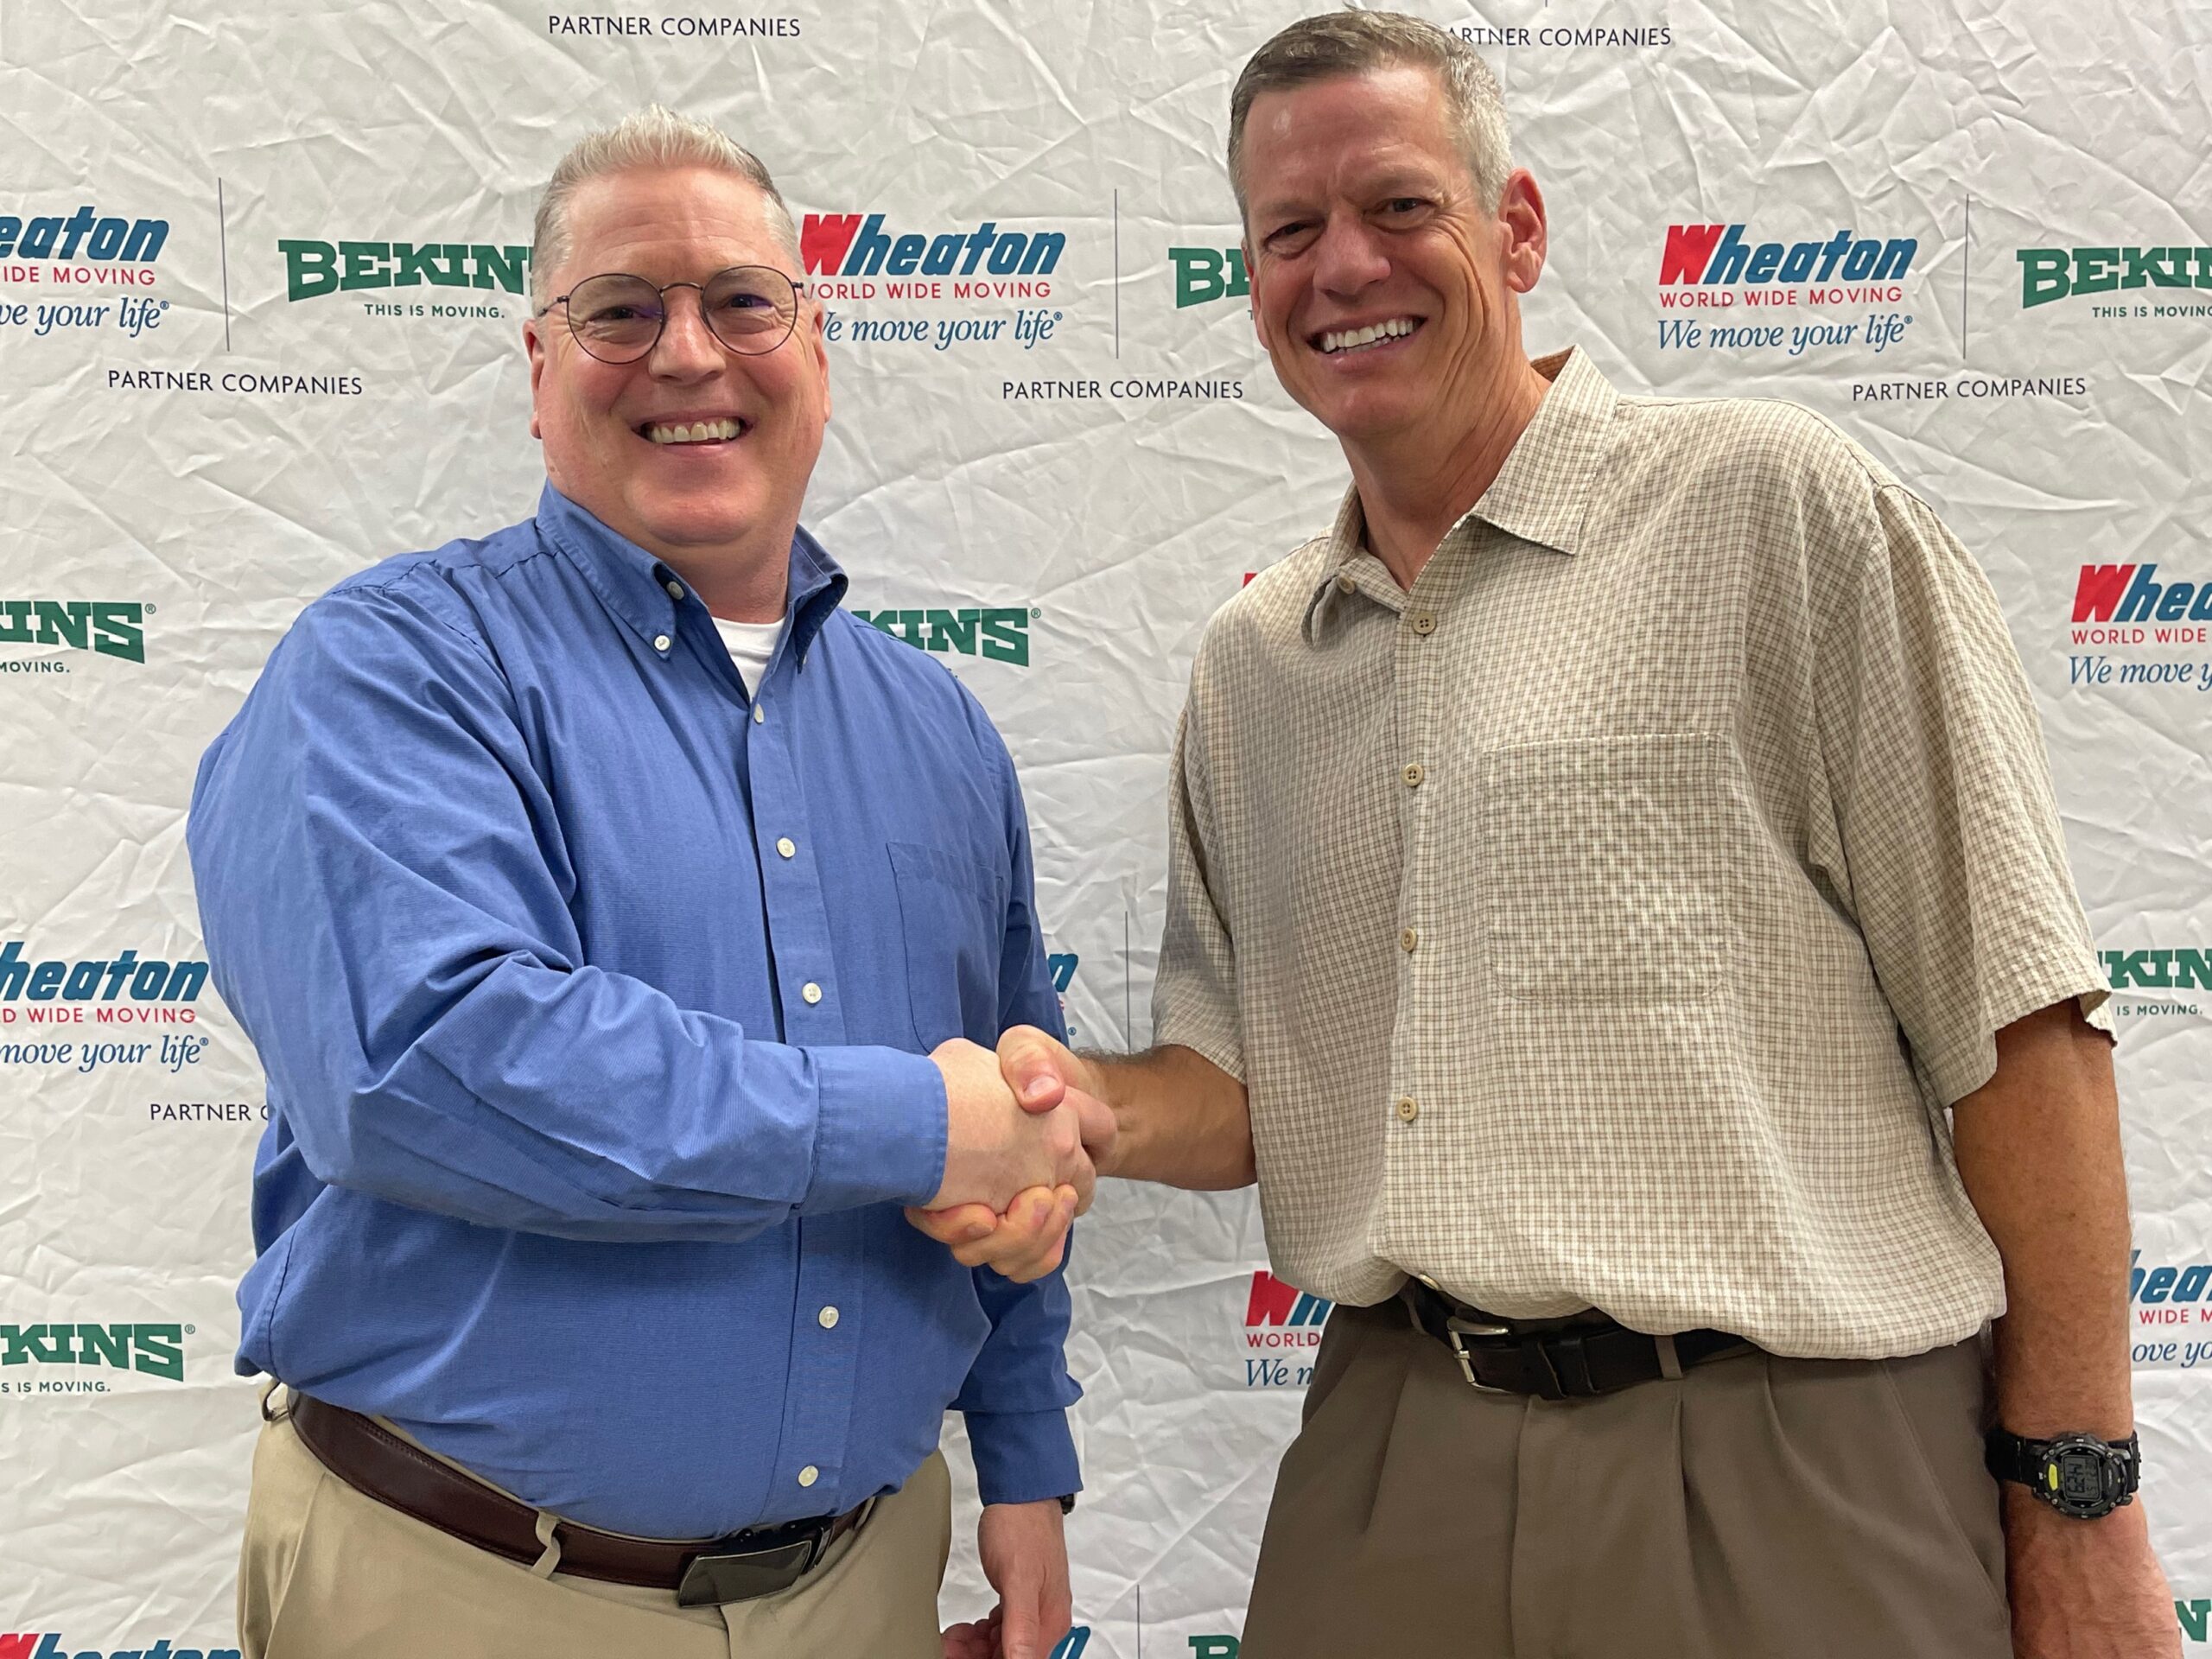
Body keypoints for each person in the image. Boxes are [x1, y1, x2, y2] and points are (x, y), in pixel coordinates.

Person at [917, 13, 2177, 1656]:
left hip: (1794, 1457)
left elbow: (2025, 1032)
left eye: (1398, 208)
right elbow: (1247, 1088)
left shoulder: (1776, 512)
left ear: (1514, 228)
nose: (1342, 265)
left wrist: (2080, 1498)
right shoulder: (1258, 667)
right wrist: (1070, 1108)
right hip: (1396, 1448)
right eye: (1290, 232)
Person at [191, 107, 1097, 1659]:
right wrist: (920, 1121)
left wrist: (1024, 1459)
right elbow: (427, 1066)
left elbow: (1021, 1110)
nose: (690, 354)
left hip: (869, 1585)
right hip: (468, 1592)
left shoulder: (937, 729)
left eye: (743, 301)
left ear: (817, 347)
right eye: (621, 310)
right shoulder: (399, 669)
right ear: (539, 373)